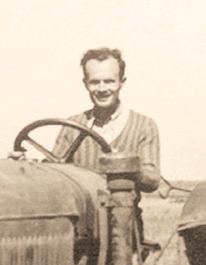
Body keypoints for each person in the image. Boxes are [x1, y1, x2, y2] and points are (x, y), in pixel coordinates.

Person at [53, 47, 161, 194]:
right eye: (95, 82)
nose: (102, 89)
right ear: (85, 84)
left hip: (123, 214)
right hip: (81, 214)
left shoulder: (143, 125)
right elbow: (52, 168)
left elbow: (152, 180)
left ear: (121, 82)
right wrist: (24, 165)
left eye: (109, 81)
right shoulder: (73, 125)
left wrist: (125, 164)